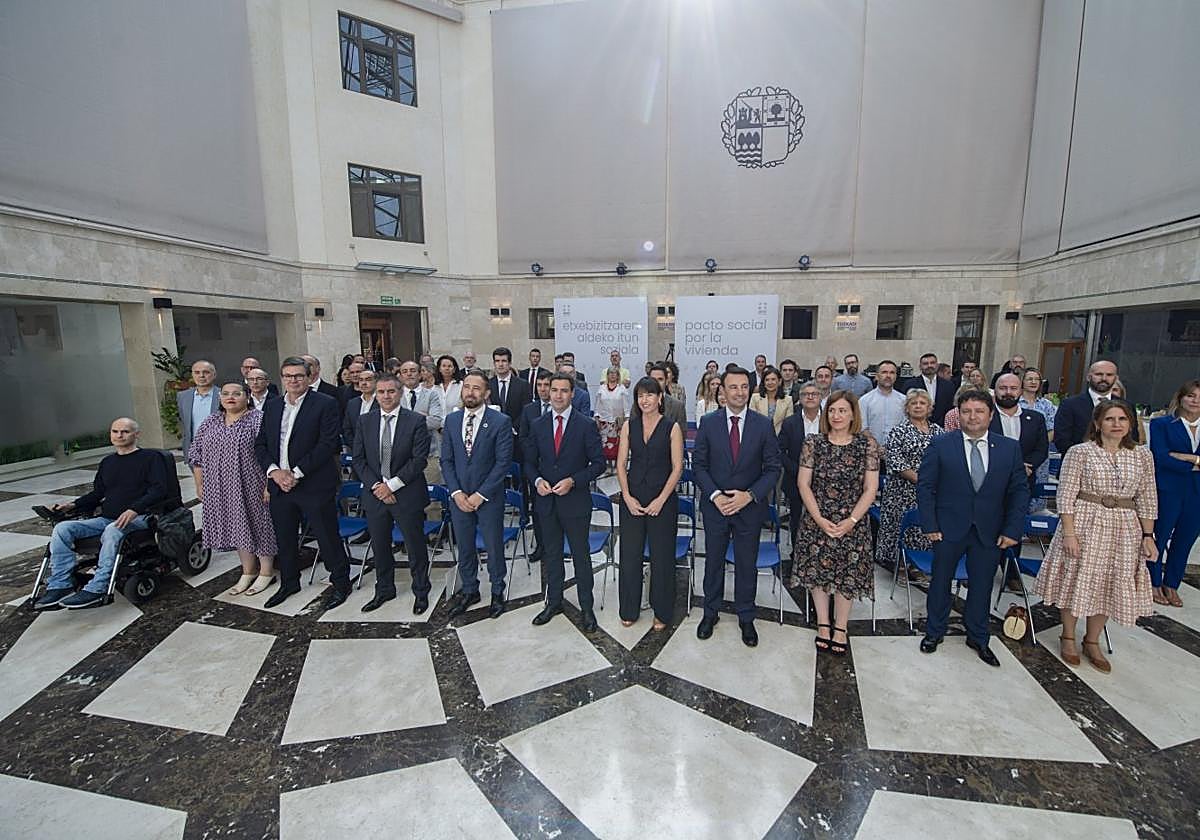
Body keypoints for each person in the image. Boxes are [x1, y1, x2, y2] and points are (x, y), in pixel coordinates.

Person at [1035, 400, 1157, 673]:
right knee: (1077, 578)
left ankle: (1092, 641)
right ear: (1098, 423)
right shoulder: (1081, 452)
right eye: (1110, 419)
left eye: (1122, 419)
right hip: (1085, 521)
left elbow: (1148, 498)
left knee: (1108, 583)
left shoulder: (1142, 456)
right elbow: (1065, 495)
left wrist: (1148, 535)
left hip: (1124, 527)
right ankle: (1068, 635)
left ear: (1131, 424)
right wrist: (1069, 533)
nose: (1117, 424)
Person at [917, 390, 1029, 666]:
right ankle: (934, 631)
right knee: (940, 582)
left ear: (991, 415)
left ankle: (978, 636)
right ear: (959, 415)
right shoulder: (941, 444)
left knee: (981, 586)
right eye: (966, 411)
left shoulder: (1009, 448)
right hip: (947, 528)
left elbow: (1018, 492)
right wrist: (930, 524)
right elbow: (926, 487)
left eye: (979, 411)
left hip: (990, 531)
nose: (973, 417)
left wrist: (1012, 529)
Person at [34, 418, 170, 610]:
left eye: (125, 431)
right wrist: (71, 505)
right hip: (107, 518)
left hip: (140, 518)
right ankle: (61, 585)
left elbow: (159, 489)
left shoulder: (151, 458)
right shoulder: (108, 462)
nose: (119, 435)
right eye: (115, 432)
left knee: (113, 530)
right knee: (62, 529)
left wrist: (134, 509)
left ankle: (99, 586)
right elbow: (98, 493)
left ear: (136, 435)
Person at [693, 367, 781, 648]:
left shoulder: (762, 425)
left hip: (749, 508)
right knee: (714, 561)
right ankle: (710, 612)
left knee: (746, 563)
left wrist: (750, 495)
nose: (740, 392)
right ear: (723, 391)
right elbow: (699, 466)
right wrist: (716, 495)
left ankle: (746, 616)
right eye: (733, 387)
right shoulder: (708, 423)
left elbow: (772, 468)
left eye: (744, 387)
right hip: (716, 507)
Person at [254, 356, 351, 611]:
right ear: (282, 378)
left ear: (309, 377)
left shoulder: (325, 403)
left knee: (326, 536)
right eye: (288, 376)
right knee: (285, 536)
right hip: (279, 484)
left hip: (314, 483)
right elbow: (261, 444)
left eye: (298, 375)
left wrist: (295, 473)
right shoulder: (272, 406)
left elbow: (328, 444)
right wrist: (275, 473)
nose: (293, 380)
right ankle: (289, 582)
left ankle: (340, 582)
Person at [792, 392, 880, 655]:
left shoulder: (867, 445)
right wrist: (818, 518)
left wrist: (851, 520)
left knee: (847, 574)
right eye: (832, 411)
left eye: (842, 411)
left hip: (852, 520)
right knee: (819, 572)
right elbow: (803, 483)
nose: (836, 416)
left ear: (853, 413)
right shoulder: (813, 443)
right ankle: (822, 624)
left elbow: (871, 487)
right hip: (817, 518)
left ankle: (840, 627)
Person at [525, 373, 606, 630]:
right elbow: (528, 462)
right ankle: (554, 601)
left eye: (563, 390)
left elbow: (598, 464)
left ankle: (587, 608)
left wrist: (573, 480)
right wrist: (537, 481)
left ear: (572, 394)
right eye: (554, 390)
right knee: (552, 554)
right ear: (548, 393)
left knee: (581, 556)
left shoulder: (585, 425)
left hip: (575, 502)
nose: (558, 395)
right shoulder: (538, 425)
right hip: (547, 502)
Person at [351, 374, 432, 613]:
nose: (386, 396)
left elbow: (419, 461)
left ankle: (421, 590)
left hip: (406, 494)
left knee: (415, 546)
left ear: (400, 393)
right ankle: (384, 588)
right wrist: (378, 487)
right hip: (375, 495)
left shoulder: (415, 421)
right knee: (380, 545)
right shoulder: (365, 421)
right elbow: (359, 459)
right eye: (381, 392)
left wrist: (392, 485)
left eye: (391, 392)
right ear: (375, 394)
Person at [189, 382, 276, 596]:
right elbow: (195, 454)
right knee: (236, 526)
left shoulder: (258, 420)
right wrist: (200, 483)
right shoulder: (211, 422)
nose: (230, 397)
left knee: (260, 525)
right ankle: (248, 571)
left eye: (236, 394)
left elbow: (271, 453)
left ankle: (266, 571)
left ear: (247, 397)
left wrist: (269, 485)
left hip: (252, 483)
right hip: (220, 487)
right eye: (225, 394)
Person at [442, 372, 514, 619]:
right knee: (464, 546)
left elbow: (503, 463)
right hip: (459, 497)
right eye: (467, 387)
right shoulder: (451, 421)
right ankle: (470, 589)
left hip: (489, 497)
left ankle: (497, 591)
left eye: (476, 388)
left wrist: (480, 494)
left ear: (486, 393)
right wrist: (457, 492)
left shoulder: (500, 421)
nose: (470, 392)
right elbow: (447, 460)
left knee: (493, 545)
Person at [616, 377, 684, 630]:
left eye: (649, 395)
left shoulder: (671, 427)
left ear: (659, 398)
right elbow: (621, 464)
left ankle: (662, 612)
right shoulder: (629, 427)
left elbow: (677, 468)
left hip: (662, 500)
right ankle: (629, 609)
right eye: (640, 395)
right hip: (632, 498)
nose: (644, 400)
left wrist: (661, 500)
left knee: (662, 557)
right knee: (630, 555)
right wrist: (626, 496)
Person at [875, 390, 942, 574]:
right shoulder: (899, 431)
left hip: (930, 492)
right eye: (914, 403)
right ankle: (901, 565)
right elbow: (896, 461)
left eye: (922, 403)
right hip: (901, 492)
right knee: (901, 528)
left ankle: (919, 564)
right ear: (907, 408)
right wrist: (923, 482)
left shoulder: (939, 432)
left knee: (923, 528)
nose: (918, 406)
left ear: (929, 408)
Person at [1148, 379, 1200, 608]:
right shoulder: (1162, 424)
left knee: (1185, 541)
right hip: (1168, 490)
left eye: (1199, 397)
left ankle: (1172, 584)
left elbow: (1172, 457)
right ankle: (1153, 581)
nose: (1195, 400)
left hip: (1196, 494)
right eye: (1191, 395)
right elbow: (1160, 457)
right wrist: (1195, 464)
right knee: (1158, 536)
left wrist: (1188, 457)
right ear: (1181, 397)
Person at [1054, 360, 1139, 451]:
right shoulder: (1069, 404)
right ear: (1088, 377)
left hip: (1118, 462)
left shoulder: (1127, 406)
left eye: (1109, 375)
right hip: (1079, 461)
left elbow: (1132, 438)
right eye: (1099, 374)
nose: (1104, 378)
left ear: (1116, 378)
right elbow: (1061, 440)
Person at [991, 373, 1049, 490]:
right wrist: (1010, 467)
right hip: (991, 482)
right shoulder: (985, 417)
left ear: (1021, 391)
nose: (1008, 392)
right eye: (1003, 388)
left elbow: (1041, 450)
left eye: (1013, 388)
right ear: (995, 391)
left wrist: (1022, 468)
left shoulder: (1036, 419)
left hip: (1024, 482)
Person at [520, 371, 554, 562]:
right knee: (539, 510)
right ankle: (541, 545)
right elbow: (523, 437)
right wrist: (535, 452)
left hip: (558, 467)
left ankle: (557, 543)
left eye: (546, 385)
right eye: (539, 385)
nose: (542, 389)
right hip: (536, 469)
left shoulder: (562, 408)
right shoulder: (529, 410)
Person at [489, 347, 531, 462]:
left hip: (516, 436)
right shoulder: (488, 385)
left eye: (503, 361)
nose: (500, 364)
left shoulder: (523, 385)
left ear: (510, 363)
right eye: (497, 361)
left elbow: (526, 410)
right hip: (493, 437)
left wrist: (511, 427)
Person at [177, 360, 220, 460]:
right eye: (197, 372)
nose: (201, 376)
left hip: (219, 449)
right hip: (194, 450)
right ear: (192, 375)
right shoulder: (183, 396)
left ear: (214, 375)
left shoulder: (224, 395)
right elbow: (184, 421)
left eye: (206, 372)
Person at [859, 360, 907, 446]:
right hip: (872, 452)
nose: (888, 376)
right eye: (884, 372)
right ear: (877, 376)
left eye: (892, 373)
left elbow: (906, 427)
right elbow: (862, 428)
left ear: (896, 376)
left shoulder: (904, 400)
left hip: (898, 451)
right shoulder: (864, 400)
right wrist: (875, 446)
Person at [901, 353, 954, 426]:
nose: (929, 366)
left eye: (932, 363)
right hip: (916, 426)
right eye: (925, 363)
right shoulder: (910, 384)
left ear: (937, 365)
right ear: (920, 367)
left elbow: (950, 407)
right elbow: (906, 406)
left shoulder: (948, 385)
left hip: (942, 427)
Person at [638, 363, 687, 432]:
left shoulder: (678, 406)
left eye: (660, 379)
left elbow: (682, 434)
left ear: (666, 381)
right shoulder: (639, 404)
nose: (656, 382)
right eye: (653, 379)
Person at [748, 365, 794, 435]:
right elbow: (751, 421)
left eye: (773, 379)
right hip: (758, 437)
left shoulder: (788, 400)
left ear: (779, 381)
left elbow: (789, 424)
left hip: (779, 438)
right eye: (767, 380)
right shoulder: (755, 398)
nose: (770, 382)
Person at [594, 367, 631, 452]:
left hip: (618, 424)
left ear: (618, 376)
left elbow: (626, 410)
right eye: (610, 373)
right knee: (604, 450)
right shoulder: (601, 389)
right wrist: (597, 420)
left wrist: (626, 423)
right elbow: (597, 408)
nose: (612, 375)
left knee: (617, 450)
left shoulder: (622, 389)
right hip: (604, 424)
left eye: (615, 373)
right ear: (607, 375)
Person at [342, 368, 379, 449]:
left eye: (368, 380)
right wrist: (356, 447)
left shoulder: (383, 402)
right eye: (361, 380)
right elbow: (347, 429)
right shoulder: (352, 403)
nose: (364, 383)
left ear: (376, 382)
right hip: (356, 451)